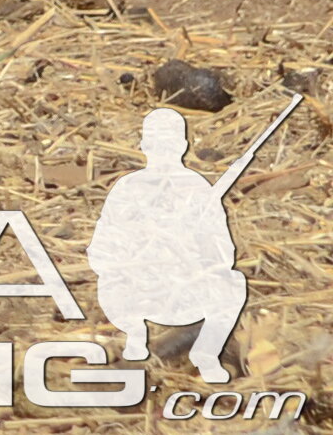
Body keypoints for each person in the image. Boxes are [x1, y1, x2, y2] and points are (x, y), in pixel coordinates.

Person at [89, 104, 266, 381]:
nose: (163, 149)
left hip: (185, 289)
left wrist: (195, 246)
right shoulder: (127, 188)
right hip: (137, 288)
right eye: (156, 142)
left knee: (234, 283)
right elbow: (100, 249)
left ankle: (206, 353)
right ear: (144, 145)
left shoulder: (198, 189)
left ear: (183, 145)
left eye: (170, 142)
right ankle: (136, 338)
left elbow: (224, 254)